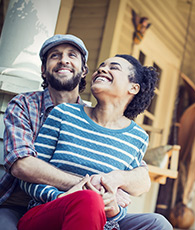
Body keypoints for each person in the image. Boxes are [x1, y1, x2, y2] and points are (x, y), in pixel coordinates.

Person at [0, 34, 151, 230]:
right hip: (18, 203)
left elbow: (139, 176)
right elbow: (22, 166)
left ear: (83, 71)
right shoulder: (25, 105)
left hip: (88, 210)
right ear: (43, 70)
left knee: (157, 222)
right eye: (55, 55)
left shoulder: (102, 120)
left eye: (72, 55)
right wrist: (89, 186)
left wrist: (115, 183)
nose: (63, 60)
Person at [18, 54, 173, 229]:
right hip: (49, 212)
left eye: (113, 67)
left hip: (102, 221)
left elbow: (121, 198)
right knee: (89, 199)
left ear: (133, 88)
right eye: (101, 66)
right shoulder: (64, 114)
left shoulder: (138, 137)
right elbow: (28, 178)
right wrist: (62, 197)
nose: (102, 69)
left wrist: (114, 209)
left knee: (159, 223)